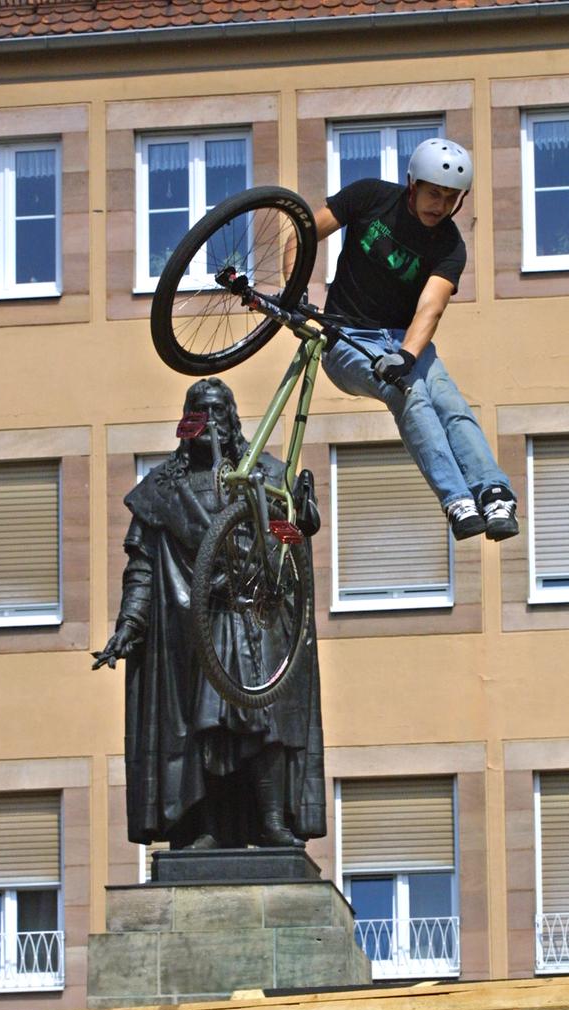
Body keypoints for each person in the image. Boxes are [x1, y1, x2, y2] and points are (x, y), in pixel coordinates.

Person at [93, 377, 326, 851]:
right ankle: (201, 828)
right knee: (202, 726)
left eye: (219, 411)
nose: (210, 421)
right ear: (186, 420)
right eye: (200, 410)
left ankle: (272, 821)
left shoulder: (262, 472)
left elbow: (287, 539)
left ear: (233, 419)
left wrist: (301, 517)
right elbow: (142, 566)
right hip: (192, 626)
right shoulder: (162, 489)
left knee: (265, 724)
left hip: (255, 618)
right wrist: (129, 625)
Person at [315, 137, 518, 542]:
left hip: (403, 340)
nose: (439, 206)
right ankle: (457, 499)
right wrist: (294, 288)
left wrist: (408, 352)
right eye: (433, 193)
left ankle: (494, 493)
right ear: (413, 185)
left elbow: (432, 304)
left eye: (449, 198)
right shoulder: (370, 196)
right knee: (408, 392)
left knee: (448, 401)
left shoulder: (449, 245)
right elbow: (303, 231)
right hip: (347, 338)